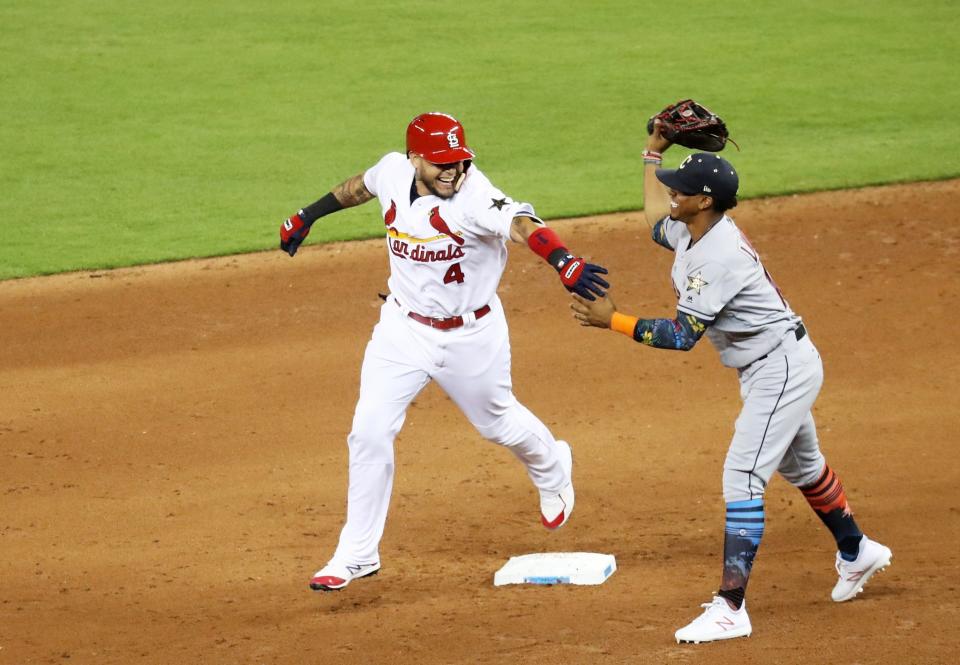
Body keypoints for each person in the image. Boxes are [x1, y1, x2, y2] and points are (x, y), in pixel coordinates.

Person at [570, 120, 892, 643]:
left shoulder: (718, 256)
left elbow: (680, 336)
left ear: (703, 200)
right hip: (775, 363)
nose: (670, 192)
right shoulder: (696, 226)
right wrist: (651, 155)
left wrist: (614, 320)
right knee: (803, 465)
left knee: (742, 476)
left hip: (781, 369)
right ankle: (857, 550)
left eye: (679, 187)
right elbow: (656, 220)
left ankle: (730, 607)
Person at [280, 112, 610, 591]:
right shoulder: (394, 170)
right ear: (415, 158)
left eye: (459, 160)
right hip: (402, 329)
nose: (453, 171)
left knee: (497, 423)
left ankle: (553, 467)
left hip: (470, 335)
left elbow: (521, 224)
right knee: (369, 430)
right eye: (440, 163)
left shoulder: (476, 197)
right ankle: (357, 554)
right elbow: (359, 187)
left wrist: (562, 258)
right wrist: (307, 215)